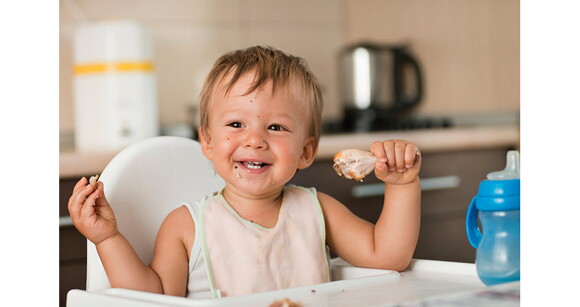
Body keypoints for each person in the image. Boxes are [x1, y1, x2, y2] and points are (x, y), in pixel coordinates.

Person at [68, 45, 422, 298]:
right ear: (207, 141)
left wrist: (403, 185)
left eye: (276, 128)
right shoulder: (186, 225)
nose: (254, 140)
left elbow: (388, 256)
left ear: (306, 151)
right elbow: (156, 298)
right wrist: (108, 239)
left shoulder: (318, 210)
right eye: (236, 123)